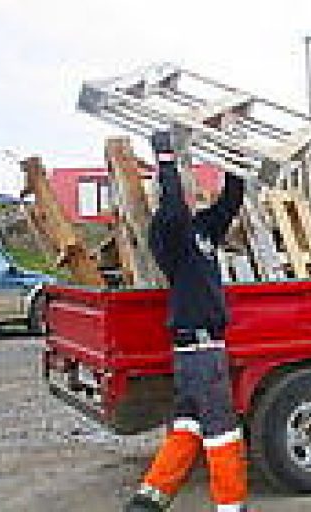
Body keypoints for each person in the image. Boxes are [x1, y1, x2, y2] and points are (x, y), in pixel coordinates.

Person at [125, 131, 247, 512]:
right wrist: (165, 159)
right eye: (185, 185)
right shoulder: (168, 233)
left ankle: (149, 499)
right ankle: (231, 506)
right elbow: (175, 207)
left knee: (188, 426)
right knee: (221, 431)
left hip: (201, 351)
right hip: (199, 351)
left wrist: (232, 158)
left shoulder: (203, 229)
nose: (192, 191)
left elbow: (231, 202)